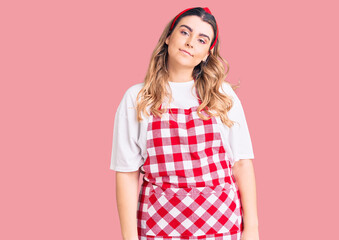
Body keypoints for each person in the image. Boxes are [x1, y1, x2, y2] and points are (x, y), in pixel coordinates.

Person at [110, 7, 259, 240]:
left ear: (207, 53)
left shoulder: (222, 95)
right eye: (184, 32)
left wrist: (252, 229)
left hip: (220, 224)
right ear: (168, 37)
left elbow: (241, 164)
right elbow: (127, 174)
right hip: (159, 226)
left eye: (201, 40)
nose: (190, 43)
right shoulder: (137, 98)